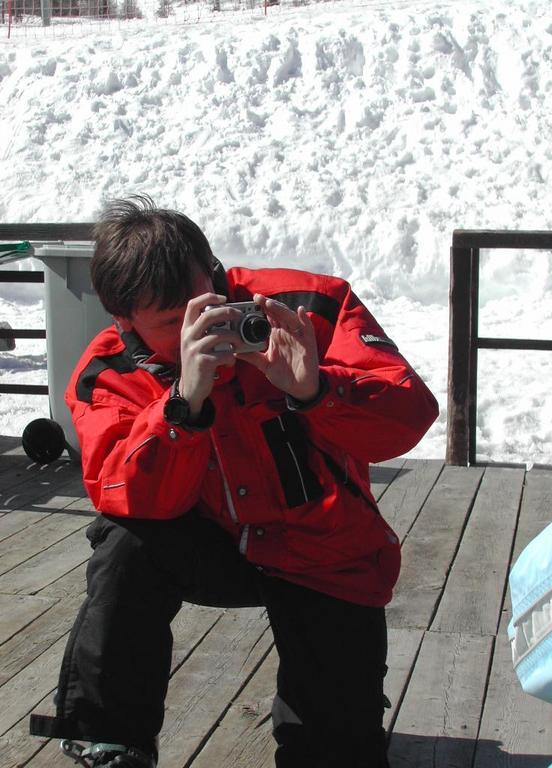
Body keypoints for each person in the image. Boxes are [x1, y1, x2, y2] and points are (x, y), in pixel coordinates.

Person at [29, 195, 438, 768]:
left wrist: (317, 389)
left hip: (322, 549)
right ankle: (111, 739)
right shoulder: (109, 372)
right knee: (124, 545)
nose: (206, 328)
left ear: (214, 270)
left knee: (337, 750)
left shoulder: (306, 307)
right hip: (211, 544)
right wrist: (183, 405)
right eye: (174, 323)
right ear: (123, 320)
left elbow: (411, 416)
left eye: (209, 304)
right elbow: (126, 495)